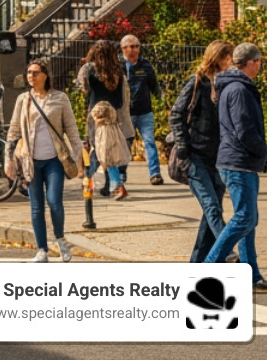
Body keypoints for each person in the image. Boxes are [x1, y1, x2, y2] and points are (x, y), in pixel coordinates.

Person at [203, 42, 267, 290]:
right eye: (259, 60)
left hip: (240, 161)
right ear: (250, 62)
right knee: (244, 218)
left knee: (249, 219)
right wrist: (264, 151)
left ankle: (251, 275)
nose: (260, 65)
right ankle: (210, 266)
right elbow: (244, 129)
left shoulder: (233, 86)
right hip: (239, 160)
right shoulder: (239, 89)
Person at [4, 57, 80, 262]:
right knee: (36, 207)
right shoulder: (23, 100)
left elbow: (71, 129)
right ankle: (42, 250)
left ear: (45, 75)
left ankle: (61, 240)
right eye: (29, 73)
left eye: (35, 72)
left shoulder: (60, 99)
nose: (31, 76)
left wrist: (79, 154)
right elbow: (14, 130)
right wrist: (8, 159)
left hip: (54, 160)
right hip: (31, 161)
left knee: (54, 202)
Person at [171, 40, 233, 263]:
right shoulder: (197, 82)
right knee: (212, 207)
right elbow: (176, 114)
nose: (232, 61)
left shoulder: (226, 84)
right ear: (219, 57)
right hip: (195, 156)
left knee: (211, 213)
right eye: (229, 57)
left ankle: (196, 265)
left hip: (218, 158)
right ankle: (228, 251)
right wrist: (184, 148)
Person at [76, 39, 132, 198]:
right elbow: (122, 98)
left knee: (99, 150)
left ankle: (96, 181)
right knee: (108, 150)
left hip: (96, 115)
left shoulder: (88, 69)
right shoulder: (120, 70)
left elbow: (83, 88)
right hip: (114, 116)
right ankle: (109, 185)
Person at [120, 35, 163, 185]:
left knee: (149, 142)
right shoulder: (118, 65)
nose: (134, 50)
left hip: (145, 111)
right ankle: (121, 175)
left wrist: (161, 98)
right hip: (127, 113)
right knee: (126, 145)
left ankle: (155, 174)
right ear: (123, 49)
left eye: (137, 46)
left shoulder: (145, 65)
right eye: (131, 46)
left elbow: (153, 84)